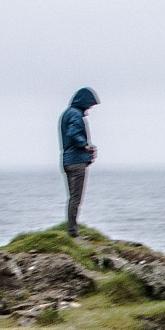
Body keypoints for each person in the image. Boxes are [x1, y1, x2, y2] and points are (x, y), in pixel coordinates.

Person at [59, 87, 100, 237]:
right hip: (76, 162)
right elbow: (73, 133)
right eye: (90, 104)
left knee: (72, 198)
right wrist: (85, 146)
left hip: (68, 161)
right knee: (76, 198)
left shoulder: (68, 114)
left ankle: (72, 229)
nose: (90, 108)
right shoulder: (75, 115)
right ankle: (73, 232)